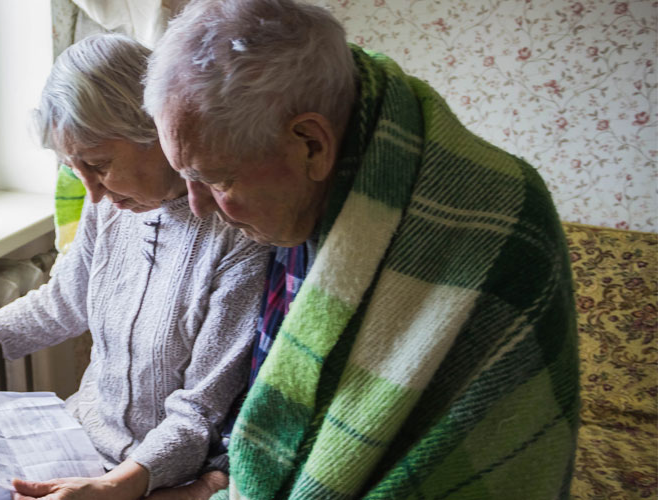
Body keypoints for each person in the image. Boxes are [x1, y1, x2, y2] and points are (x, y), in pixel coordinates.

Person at [140, 0, 581, 498]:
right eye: (186, 178)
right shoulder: (304, 198)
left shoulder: (501, 219)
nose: (199, 207)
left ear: (311, 143)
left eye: (217, 179)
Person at [0, 33, 272, 500]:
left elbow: (200, 410)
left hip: (162, 474)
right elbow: (64, 301)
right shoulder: (110, 206)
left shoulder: (239, 235)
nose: (92, 193)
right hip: (78, 440)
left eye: (99, 164)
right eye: (75, 168)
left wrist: (114, 486)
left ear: (157, 132)